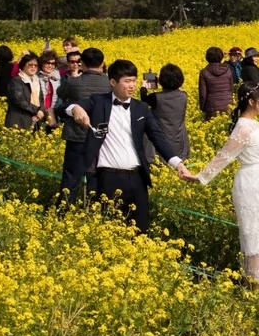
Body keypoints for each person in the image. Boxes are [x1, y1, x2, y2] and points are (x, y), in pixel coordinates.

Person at [66, 59, 193, 232]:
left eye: (134, 81)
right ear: (112, 82)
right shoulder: (99, 102)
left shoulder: (141, 108)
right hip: (107, 177)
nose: (132, 86)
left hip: (137, 178)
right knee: (108, 231)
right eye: (127, 81)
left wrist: (177, 163)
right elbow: (69, 106)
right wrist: (76, 109)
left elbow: (157, 137)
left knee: (140, 229)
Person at [185, 82, 259, 290]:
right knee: (254, 236)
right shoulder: (243, 129)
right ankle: (252, 288)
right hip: (254, 187)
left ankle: (255, 284)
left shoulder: (254, 124)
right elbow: (224, 156)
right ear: (251, 101)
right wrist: (201, 177)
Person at [55, 47, 112, 204]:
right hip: (101, 135)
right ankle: (95, 209)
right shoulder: (109, 84)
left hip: (77, 135)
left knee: (71, 176)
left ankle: (65, 209)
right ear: (102, 63)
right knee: (96, 175)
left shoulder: (73, 83)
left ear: (82, 63)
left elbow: (60, 93)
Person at [140, 63, 190, 162]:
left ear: (162, 81)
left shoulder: (155, 97)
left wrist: (143, 87)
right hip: (179, 139)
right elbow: (178, 90)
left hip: (160, 139)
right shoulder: (184, 96)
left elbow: (144, 101)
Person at [5, 52, 46, 130]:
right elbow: (19, 100)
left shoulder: (36, 80)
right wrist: (36, 111)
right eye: (30, 65)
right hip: (19, 121)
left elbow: (41, 99)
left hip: (35, 120)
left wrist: (41, 111)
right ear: (23, 65)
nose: (33, 67)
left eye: (36, 65)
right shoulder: (16, 81)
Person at [198, 46, 235, 121]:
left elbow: (203, 94)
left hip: (212, 106)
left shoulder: (204, 72)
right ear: (221, 57)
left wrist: (202, 108)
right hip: (228, 105)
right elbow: (231, 88)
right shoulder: (228, 70)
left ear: (207, 57)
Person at [38, 50, 62, 131]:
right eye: (48, 63)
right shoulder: (36, 77)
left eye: (53, 64)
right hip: (39, 112)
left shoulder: (58, 78)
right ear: (42, 63)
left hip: (54, 112)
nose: (50, 66)